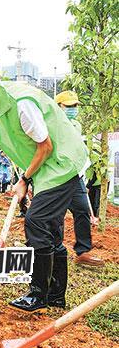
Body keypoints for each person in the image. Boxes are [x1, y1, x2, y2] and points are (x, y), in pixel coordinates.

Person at [0, 61, 88, 313]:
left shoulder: (21, 103)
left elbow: (45, 145)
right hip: (48, 167)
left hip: (61, 163)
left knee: (36, 222)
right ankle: (56, 296)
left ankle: (38, 294)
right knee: (50, 232)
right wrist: (25, 178)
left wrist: (24, 179)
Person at [54, 91, 104, 267]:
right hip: (56, 176)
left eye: (75, 106)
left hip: (74, 175)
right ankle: (54, 250)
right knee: (56, 215)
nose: (73, 109)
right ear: (58, 106)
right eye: (69, 106)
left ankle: (83, 252)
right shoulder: (51, 124)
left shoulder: (76, 125)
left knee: (82, 209)